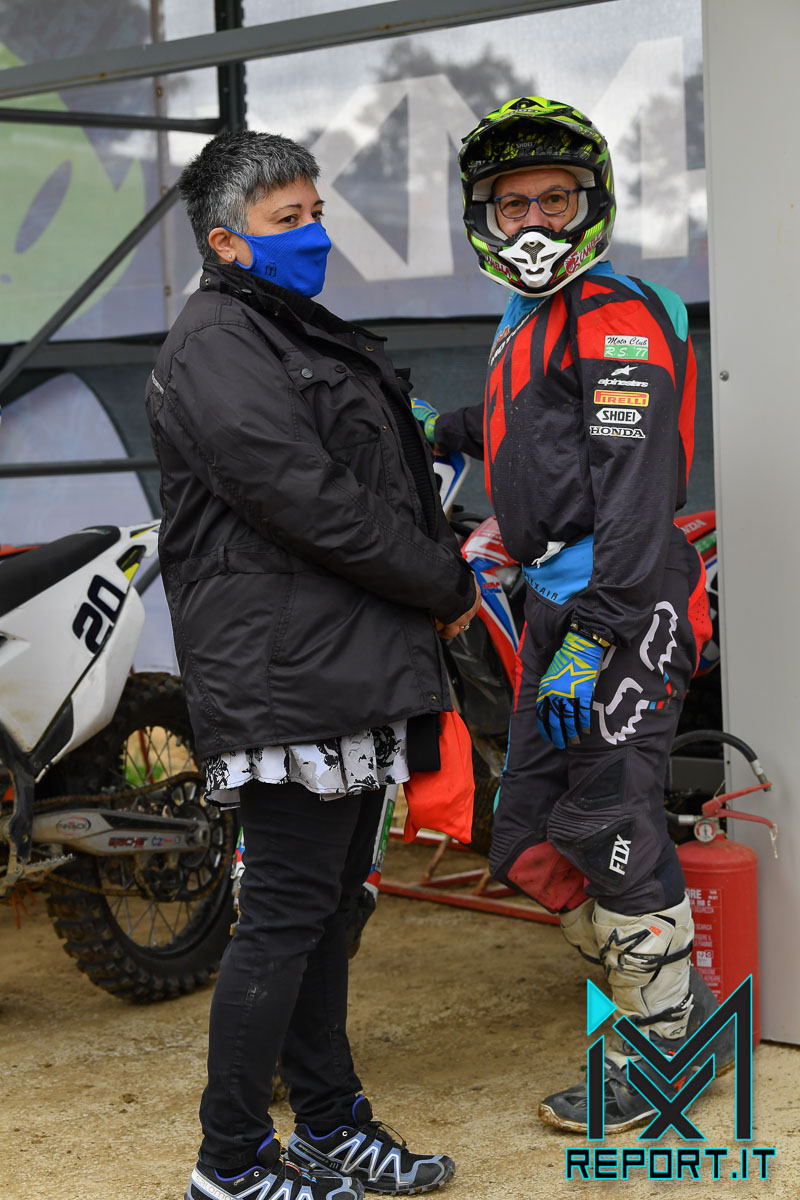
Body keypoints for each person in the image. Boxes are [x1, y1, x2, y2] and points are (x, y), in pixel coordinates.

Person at [146, 129, 479, 1200]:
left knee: (332, 909)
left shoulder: (286, 326)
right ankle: (231, 1163)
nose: (314, 234)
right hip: (284, 672)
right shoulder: (214, 342)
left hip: (342, 660)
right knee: (287, 914)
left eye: (316, 211)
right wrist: (441, 582)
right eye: (286, 220)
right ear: (226, 242)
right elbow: (305, 498)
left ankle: (331, 1124)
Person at [420, 95, 731, 1135]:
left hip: (624, 603)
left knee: (608, 822)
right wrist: (437, 424)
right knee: (528, 840)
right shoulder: (531, 317)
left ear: (589, 203)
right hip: (560, 603)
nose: (534, 221)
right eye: (514, 204)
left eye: (554, 199)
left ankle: (666, 1053)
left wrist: (595, 635)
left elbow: (635, 494)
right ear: (486, 216)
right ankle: (677, 1014)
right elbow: (532, 423)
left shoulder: (611, 312)